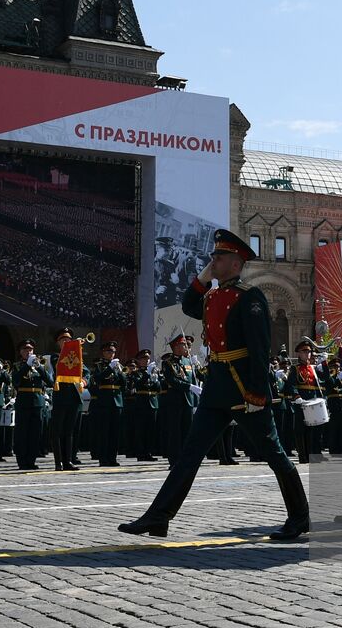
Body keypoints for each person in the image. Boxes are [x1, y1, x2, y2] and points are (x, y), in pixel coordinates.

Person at [120, 228, 308, 541]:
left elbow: (260, 349)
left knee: (273, 453)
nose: (214, 260)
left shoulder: (251, 297)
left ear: (236, 262)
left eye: (219, 257)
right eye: (214, 256)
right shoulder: (215, 296)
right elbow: (188, 304)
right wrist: (204, 276)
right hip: (217, 388)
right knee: (189, 454)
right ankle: (159, 516)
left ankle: (300, 516)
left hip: (244, 388)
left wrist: (259, 393)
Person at [281, 338, 326, 463]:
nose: (308, 354)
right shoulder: (295, 369)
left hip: (312, 401)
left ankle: (311, 454)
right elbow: (291, 385)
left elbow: (321, 383)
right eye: (305, 352)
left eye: (309, 352)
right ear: (299, 354)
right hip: (301, 402)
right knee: (301, 429)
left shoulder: (313, 368)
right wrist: (296, 396)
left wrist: (325, 363)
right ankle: (302, 455)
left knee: (313, 429)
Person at [51, 329, 87, 471]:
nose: (66, 342)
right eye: (63, 340)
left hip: (74, 396)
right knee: (57, 431)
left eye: (69, 340)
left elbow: (86, 372)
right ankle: (58, 462)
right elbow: (61, 366)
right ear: (58, 343)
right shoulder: (55, 357)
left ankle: (68, 461)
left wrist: (84, 382)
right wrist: (73, 347)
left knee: (69, 431)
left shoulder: (76, 355)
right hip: (61, 396)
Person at [160, 334, 199, 464]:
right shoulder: (167, 363)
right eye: (183, 345)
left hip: (188, 400)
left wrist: (195, 402)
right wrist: (190, 387)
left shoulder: (187, 362)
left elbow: (193, 380)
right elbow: (173, 380)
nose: (186, 347)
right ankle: (175, 460)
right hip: (175, 401)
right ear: (176, 347)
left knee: (188, 431)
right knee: (175, 432)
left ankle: (186, 459)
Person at [12, 340, 51, 470]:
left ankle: (31, 460)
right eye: (25, 349)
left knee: (35, 433)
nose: (28, 352)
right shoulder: (17, 366)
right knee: (22, 432)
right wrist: (27, 366)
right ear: (20, 352)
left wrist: (39, 367)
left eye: (31, 350)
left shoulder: (39, 365)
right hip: (24, 401)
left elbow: (50, 382)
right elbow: (16, 381)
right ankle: (22, 461)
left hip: (38, 402)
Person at [89, 341, 126, 467]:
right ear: (103, 352)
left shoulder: (118, 365)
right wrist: (110, 368)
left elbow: (124, 383)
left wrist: (121, 373)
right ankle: (103, 458)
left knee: (115, 432)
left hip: (117, 401)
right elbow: (97, 379)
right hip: (104, 401)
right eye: (109, 351)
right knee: (104, 432)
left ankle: (112, 458)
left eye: (113, 351)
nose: (111, 354)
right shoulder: (99, 365)